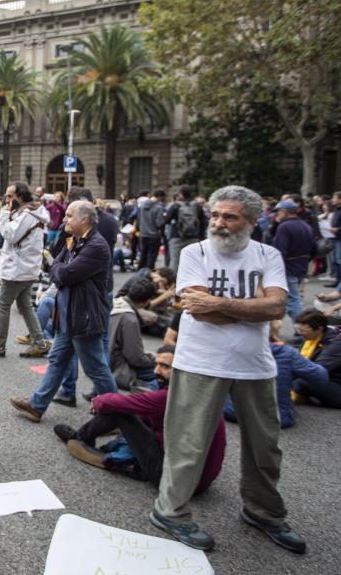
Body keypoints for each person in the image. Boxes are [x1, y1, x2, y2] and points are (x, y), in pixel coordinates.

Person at [151, 185, 305, 554]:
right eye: (215, 215)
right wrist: (252, 306)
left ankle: (263, 510)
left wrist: (220, 305)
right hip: (200, 362)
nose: (219, 223)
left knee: (264, 447)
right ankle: (170, 511)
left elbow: (277, 309)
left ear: (252, 221)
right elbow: (199, 310)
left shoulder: (268, 255)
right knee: (187, 443)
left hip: (255, 365)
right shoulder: (194, 252)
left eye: (230, 217)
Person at [53, 346, 226, 491]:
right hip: (200, 479)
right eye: (156, 364)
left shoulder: (171, 397)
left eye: (165, 366)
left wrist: (98, 400)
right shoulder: (203, 394)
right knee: (132, 411)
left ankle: (79, 437)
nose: (156, 371)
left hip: (172, 479)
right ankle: (88, 435)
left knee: (118, 409)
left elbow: (117, 402)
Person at [10, 201, 119, 422]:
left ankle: (118, 415)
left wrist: (57, 269)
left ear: (84, 220)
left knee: (96, 368)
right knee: (58, 359)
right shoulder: (76, 239)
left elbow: (62, 274)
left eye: (69, 216)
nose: (64, 219)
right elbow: (55, 261)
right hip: (69, 315)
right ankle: (37, 405)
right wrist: (58, 268)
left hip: (84, 318)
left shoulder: (96, 246)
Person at [0, 182, 50, 358]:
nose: (7, 200)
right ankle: (39, 342)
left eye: (10, 196)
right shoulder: (30, 212)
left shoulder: (27, 214)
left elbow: (10, 235)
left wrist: (3, 214)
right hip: (26, 267)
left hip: (18, 269)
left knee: (3, 304)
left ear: (21, 197)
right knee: (25, 305)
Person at [109, 279, 160, 391]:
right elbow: (135, 357)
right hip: (118, 367)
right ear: (147, 301)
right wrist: (154, 359)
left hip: (102, 359)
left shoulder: (115, 302)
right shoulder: (129, 319)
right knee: (162, 370)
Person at [271, 199, 317, 323]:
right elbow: (314, 248)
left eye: (279, 212)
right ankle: (272, 330)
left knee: (293, 301)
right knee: (287, 300)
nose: (277, 215)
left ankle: (302, 331)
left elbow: (280, 251)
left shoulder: (285, 226)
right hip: (301, 266)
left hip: (288, 267)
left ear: (284, 212)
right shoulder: (305, 225)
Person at [289, 309, 341, 407]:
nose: (299, 333)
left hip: (337, 383)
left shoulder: (336, 343)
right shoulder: (311, 337)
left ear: (319, 329)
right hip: (331, 378)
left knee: (304, 382)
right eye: (297, 329)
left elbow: (316, 372)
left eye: (303, 330)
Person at [164, 185, 207, 272]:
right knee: (193, 261)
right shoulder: (197, 206)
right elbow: (204, 222)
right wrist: (200, 236)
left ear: (181, 194)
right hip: (193, 237)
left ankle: (173, 283)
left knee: (175, 261)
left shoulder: (175, 206)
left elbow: (165, 220)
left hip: (176, 236)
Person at [137, 189, 166, 269]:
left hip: (143, 234)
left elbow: (138, 220)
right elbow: (159, 223)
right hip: (154, 235)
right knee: (152, 256)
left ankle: (140, 272)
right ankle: (148, 273)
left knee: (143, 254)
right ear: (160, 197)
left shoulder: (141, 206)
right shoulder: (158, 207)